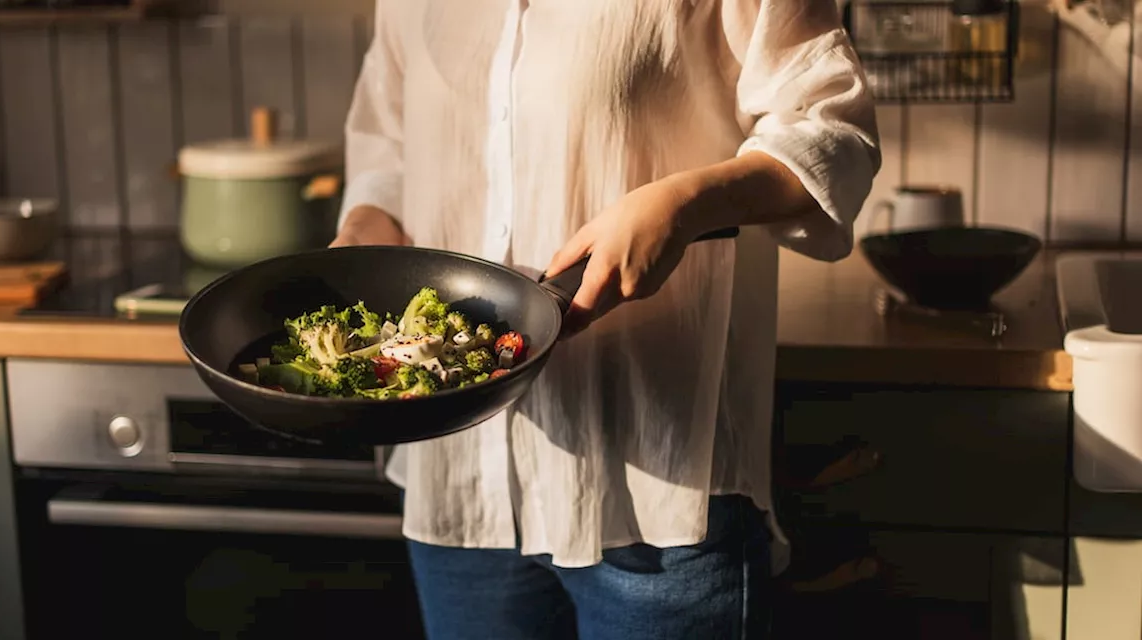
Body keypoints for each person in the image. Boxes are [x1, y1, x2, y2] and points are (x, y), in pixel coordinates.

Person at [330, 1, 880, 638]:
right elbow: (387, 148)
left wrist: (684, 205)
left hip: (658, 485)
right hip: (462, 483)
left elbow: (833, 130)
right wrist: (361, 230)